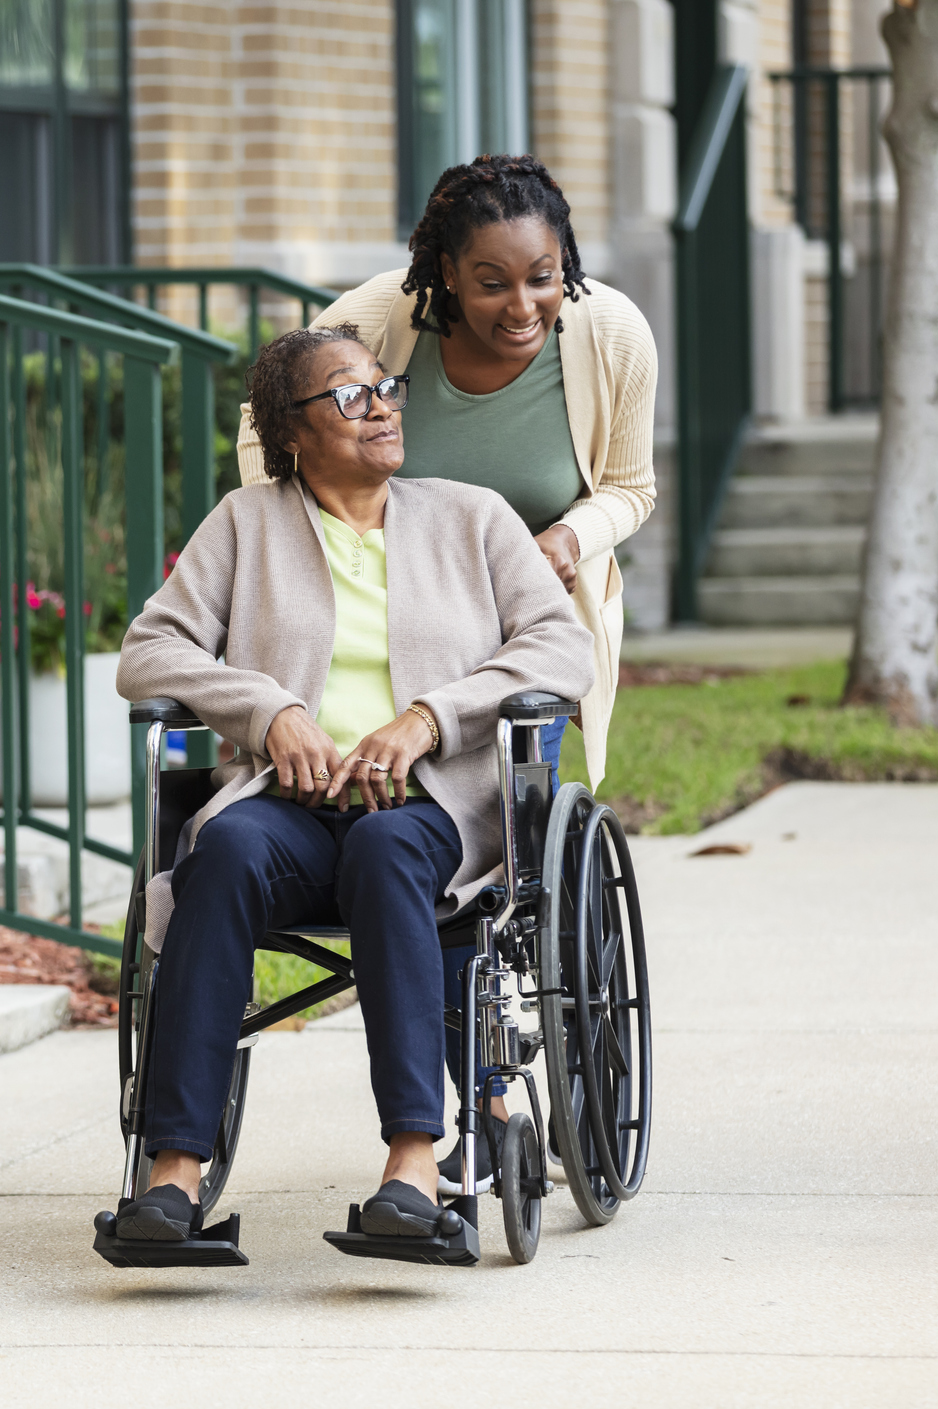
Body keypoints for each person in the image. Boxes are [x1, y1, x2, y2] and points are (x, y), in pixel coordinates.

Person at [110, 325, 593, 1244]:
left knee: (382, 849)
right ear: (289, 434)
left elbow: (558, 644)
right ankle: (171, 1174)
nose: (379, 407)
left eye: (383, 388)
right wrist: (268, 710)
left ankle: (415, 1161)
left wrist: (429, 718)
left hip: (431, 806)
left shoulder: (471, 516)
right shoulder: (245, 523)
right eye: (348, 395)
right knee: (221, 853)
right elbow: (148, 651)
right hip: (287, 809)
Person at [237, 154, 658, 1190]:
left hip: (518, 639)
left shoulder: (609, 337)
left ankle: (493, 1095)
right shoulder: (380, 323)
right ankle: (475, 1105)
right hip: (384, 627)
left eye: (544, 276)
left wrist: (569, 538)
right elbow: (269, 428)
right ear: (443, 276)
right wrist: (312, 539)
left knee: (490, 840)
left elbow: (633, 485)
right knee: (409, 847)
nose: (524, 304)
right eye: (493, 281)